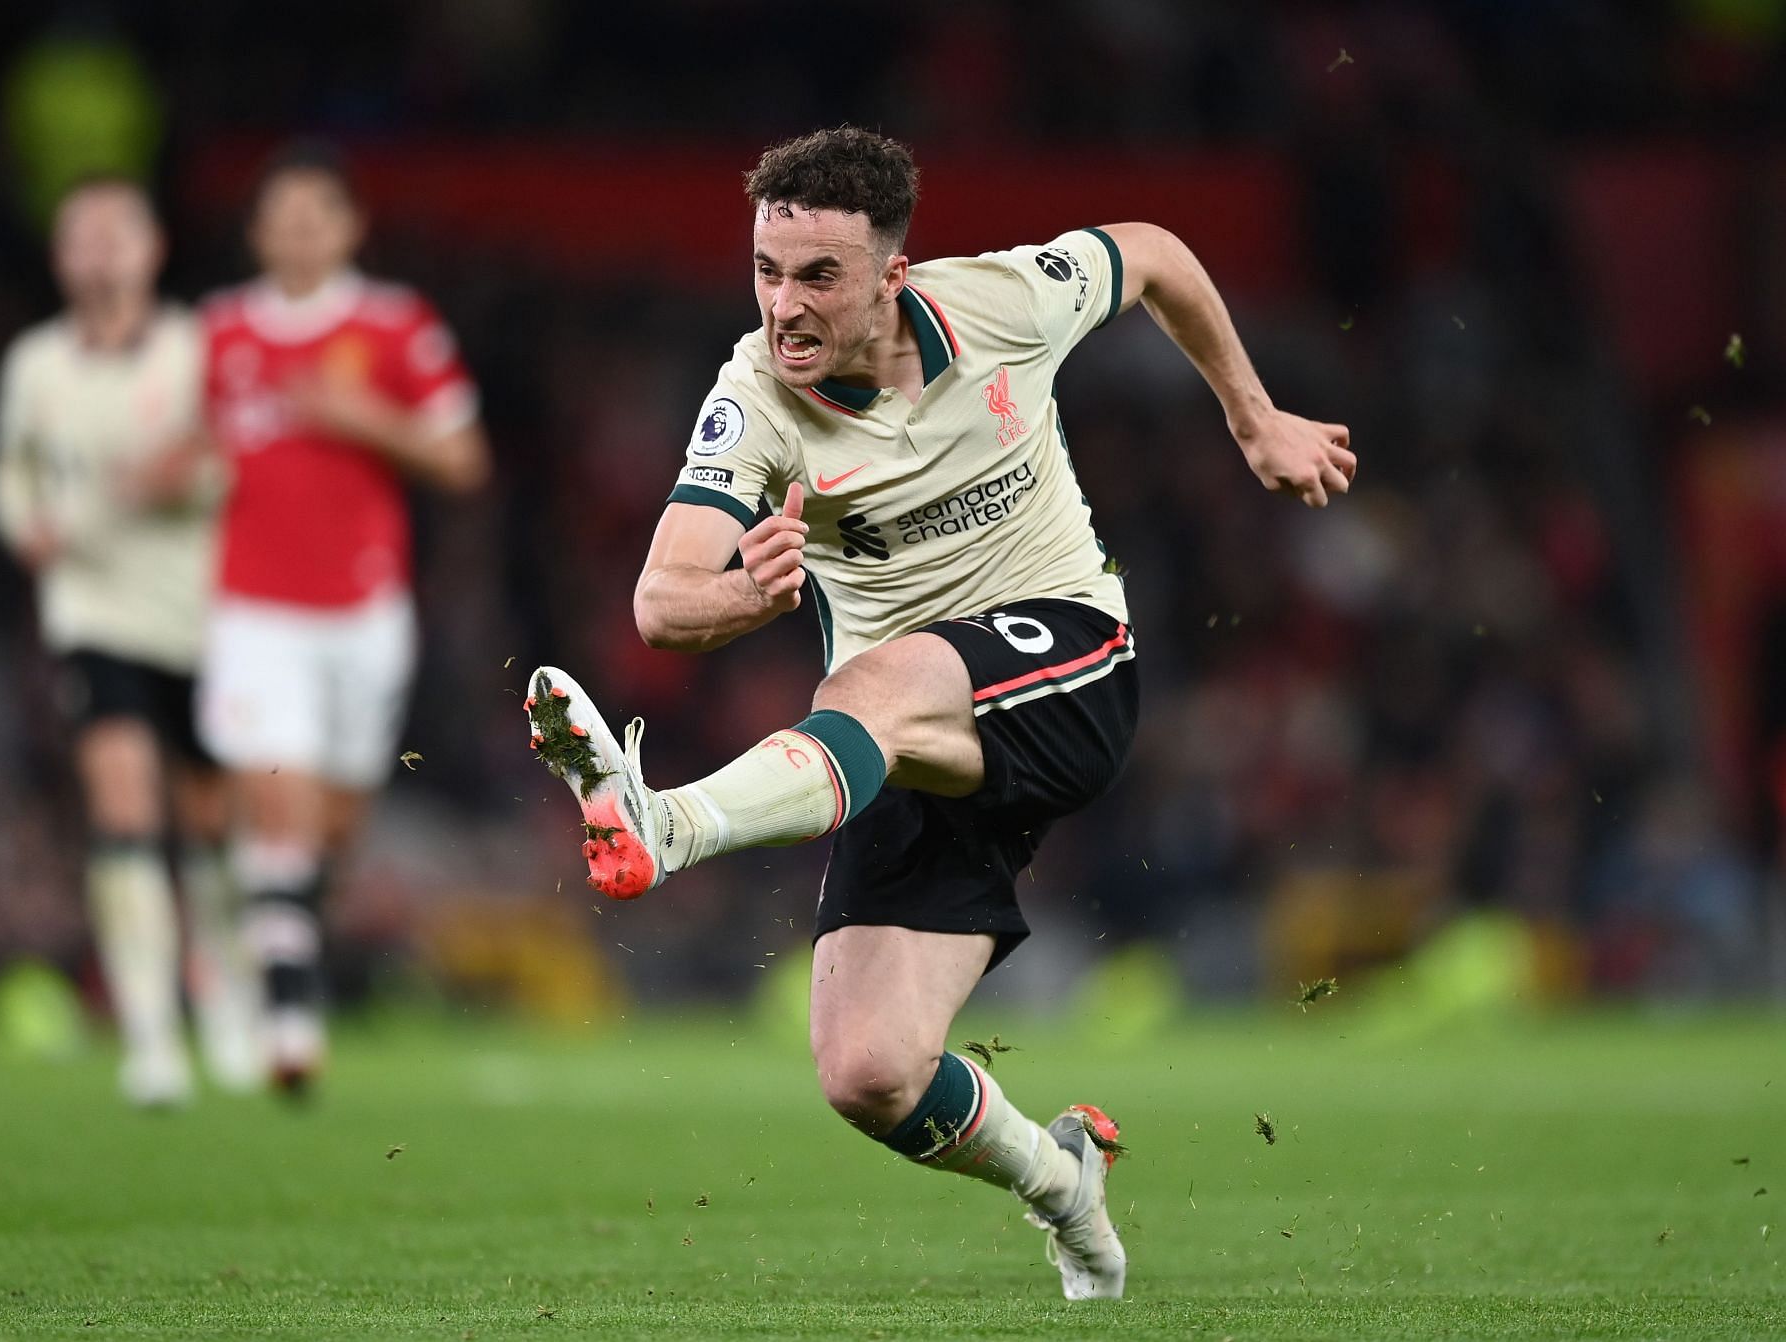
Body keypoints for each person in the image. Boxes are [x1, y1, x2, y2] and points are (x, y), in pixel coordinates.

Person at [526, 128, 1355, 1299]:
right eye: (767, 270)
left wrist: (1254, 417)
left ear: (892, 276)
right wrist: (746, 592)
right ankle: (1062, 1179)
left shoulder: (1005, 302)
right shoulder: (754, 397)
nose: (784, 306)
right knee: (867, 1071)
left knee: (865, 683)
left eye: (818, 276)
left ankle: (672, 827)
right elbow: (661, 603)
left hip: (1071, 661)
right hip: (905, 749)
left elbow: (1158, 253)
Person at [195, 144, 489, 1094]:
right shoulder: (215, 333)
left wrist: (357, 417)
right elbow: (177, 448)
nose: (299, 230)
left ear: (350, 225)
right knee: (277, 800)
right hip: (250, 610)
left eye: (317, 212)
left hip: (363, 612)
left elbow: (462, 459)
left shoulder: (397, 325)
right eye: (281, 214)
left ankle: (260, 941)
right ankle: (286, 1018)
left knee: (331, 826)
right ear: (256, 231)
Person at [0, 176, 255, 1107]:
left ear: (152, 250)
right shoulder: (34, 366)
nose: (98, 253)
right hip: (92, 614)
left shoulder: (196, 349)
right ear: (60, 257)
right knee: (124, 802)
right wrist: (24, 525)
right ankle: (150, 1036)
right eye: (81, 238)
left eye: (116, 235)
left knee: (211, 820)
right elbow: (10, 470)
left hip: (199, 612)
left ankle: (224, 999)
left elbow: (233, 456)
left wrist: (176, 478)